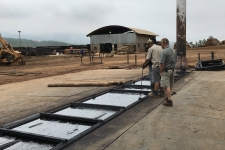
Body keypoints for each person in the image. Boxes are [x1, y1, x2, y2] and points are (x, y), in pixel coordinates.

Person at [159, 38, 176, 106]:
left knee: (166, 86)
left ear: (163, 43)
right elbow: (175, 60)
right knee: (170, 85)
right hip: (172, 69)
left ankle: (169, 100)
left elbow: (162, 63)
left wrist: (161, 71)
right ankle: (167, 97)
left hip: (166, 70)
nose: (161, 46)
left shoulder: (164, 52)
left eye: (161, 44)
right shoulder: (173, 50)